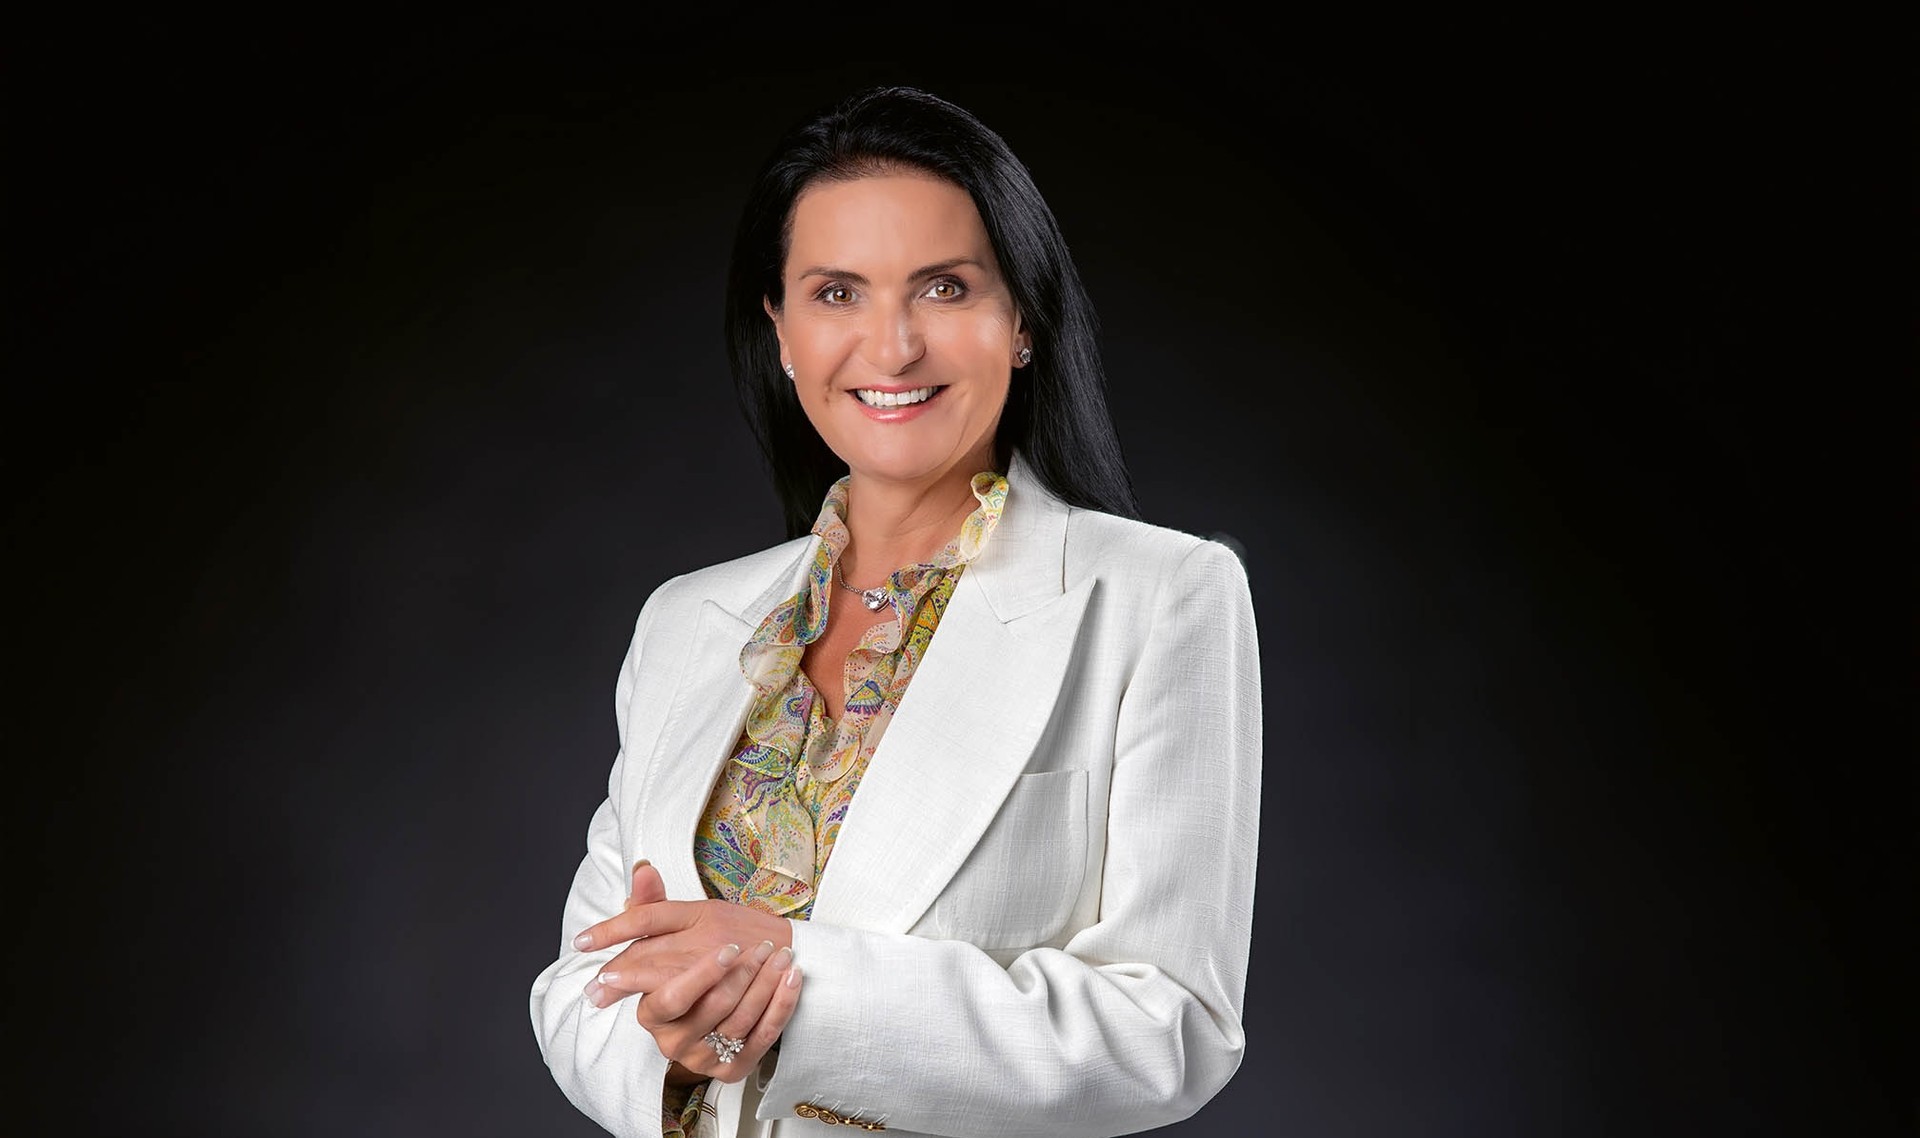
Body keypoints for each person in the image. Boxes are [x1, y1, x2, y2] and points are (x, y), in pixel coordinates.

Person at [529, 84, 1262, 1138]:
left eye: (944, 288)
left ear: (1021, 320)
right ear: (781, 330)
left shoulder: (1161, 597)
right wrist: (678, 1039)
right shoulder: (686, 620)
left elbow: (1170, 1025)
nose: (892, 346)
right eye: (837, 293)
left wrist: (793, 982)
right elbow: (580, 982)